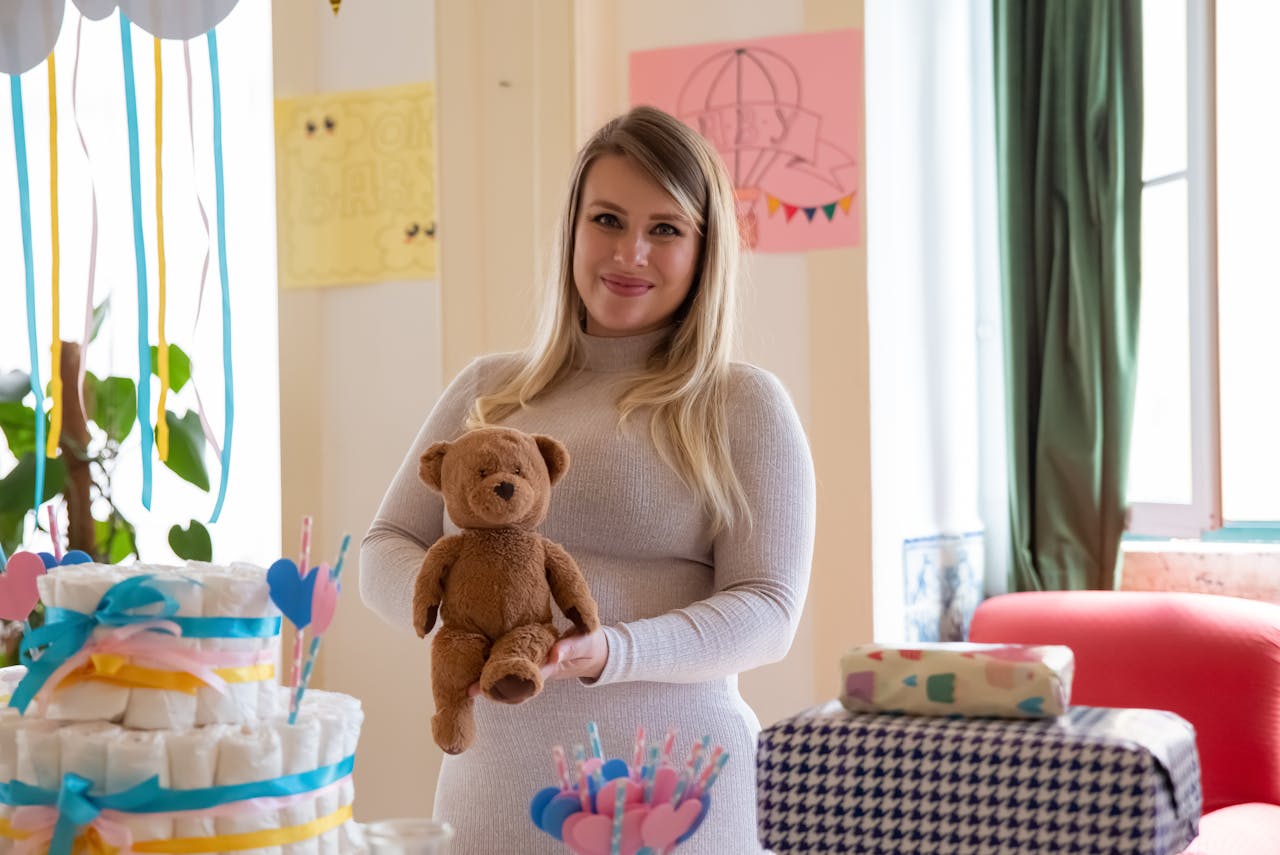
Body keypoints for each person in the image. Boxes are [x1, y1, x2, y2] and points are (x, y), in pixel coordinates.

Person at [360, 104, 816, 854]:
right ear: (573, 228)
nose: (630, 252)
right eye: (607, 219)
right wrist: (465, 621)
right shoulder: (489, 389)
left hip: (678, 806)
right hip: (489, 802)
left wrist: (611, 651)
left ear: (704, 251)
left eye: (665, 228)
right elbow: (386, 544)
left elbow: (768, 609)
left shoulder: (741, 402)